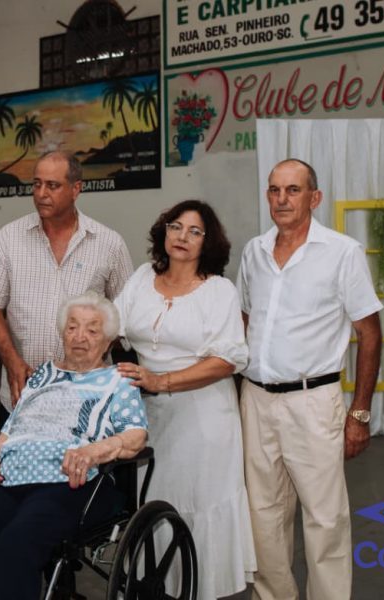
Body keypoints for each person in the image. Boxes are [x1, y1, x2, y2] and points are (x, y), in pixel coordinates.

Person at [0, 292, 147, 600]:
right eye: (72, 327)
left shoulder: (119, 380)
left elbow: (136, 436)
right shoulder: (43, 374)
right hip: (10, 478)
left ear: (109, 341)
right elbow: (13, 425)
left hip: (68, 483)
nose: (79, 337)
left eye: (92, 330)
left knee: (17, 542)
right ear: (62, 333)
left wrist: (92, 452)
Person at [237, 159, 382, 600]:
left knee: (325, 518)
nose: (282, 199)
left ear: (314, 198)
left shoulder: (343, 252)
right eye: (274, 190)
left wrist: (359, 413)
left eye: (293, 190)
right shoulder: (254, 251)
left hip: (313, 401)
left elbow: (370, 334)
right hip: (256, 400)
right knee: (263, 515)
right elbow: (244, 323)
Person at [115, 200, 256, 600]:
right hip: (150, 417)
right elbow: (112, 325)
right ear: (164, 231)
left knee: (199, 501)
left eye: (195, 231)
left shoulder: (219, 291)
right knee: (156, 502)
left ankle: (200, 589)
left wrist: (162, 380)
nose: (182, 237)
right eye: (176, 227)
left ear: (207, 242)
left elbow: (227, 360)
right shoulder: (142, 277)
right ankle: (157, 588)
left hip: (204, 419)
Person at [0, 150, 134, 424]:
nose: (41, 194)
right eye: (36, 184)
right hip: (22, 391)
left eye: (52, 185)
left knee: (86, 454)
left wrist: (94, 353)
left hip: (87, 395)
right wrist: (12, 361)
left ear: (76, 189)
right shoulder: (8, 239)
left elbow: (125, 313)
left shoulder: (109, 244)